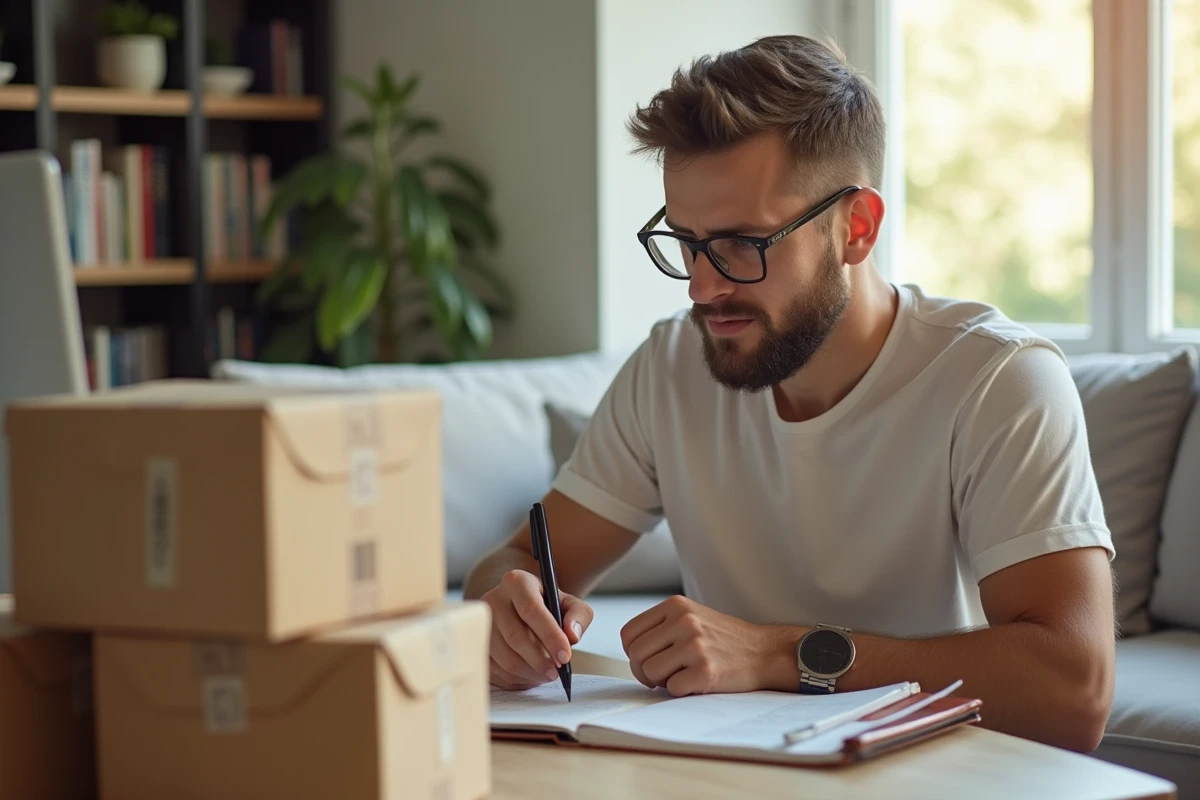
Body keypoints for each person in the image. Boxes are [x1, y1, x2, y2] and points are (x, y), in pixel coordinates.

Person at [463, 34, 1115, 753]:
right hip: (725, 769)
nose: (703, 287)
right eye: (686, 240)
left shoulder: (995, 379)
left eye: (744, 243)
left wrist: (780, 655)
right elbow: (520, 557)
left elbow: (1073, 690)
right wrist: (506, 609)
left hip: (931, 772)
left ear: (856, 228)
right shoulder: (672, 366)